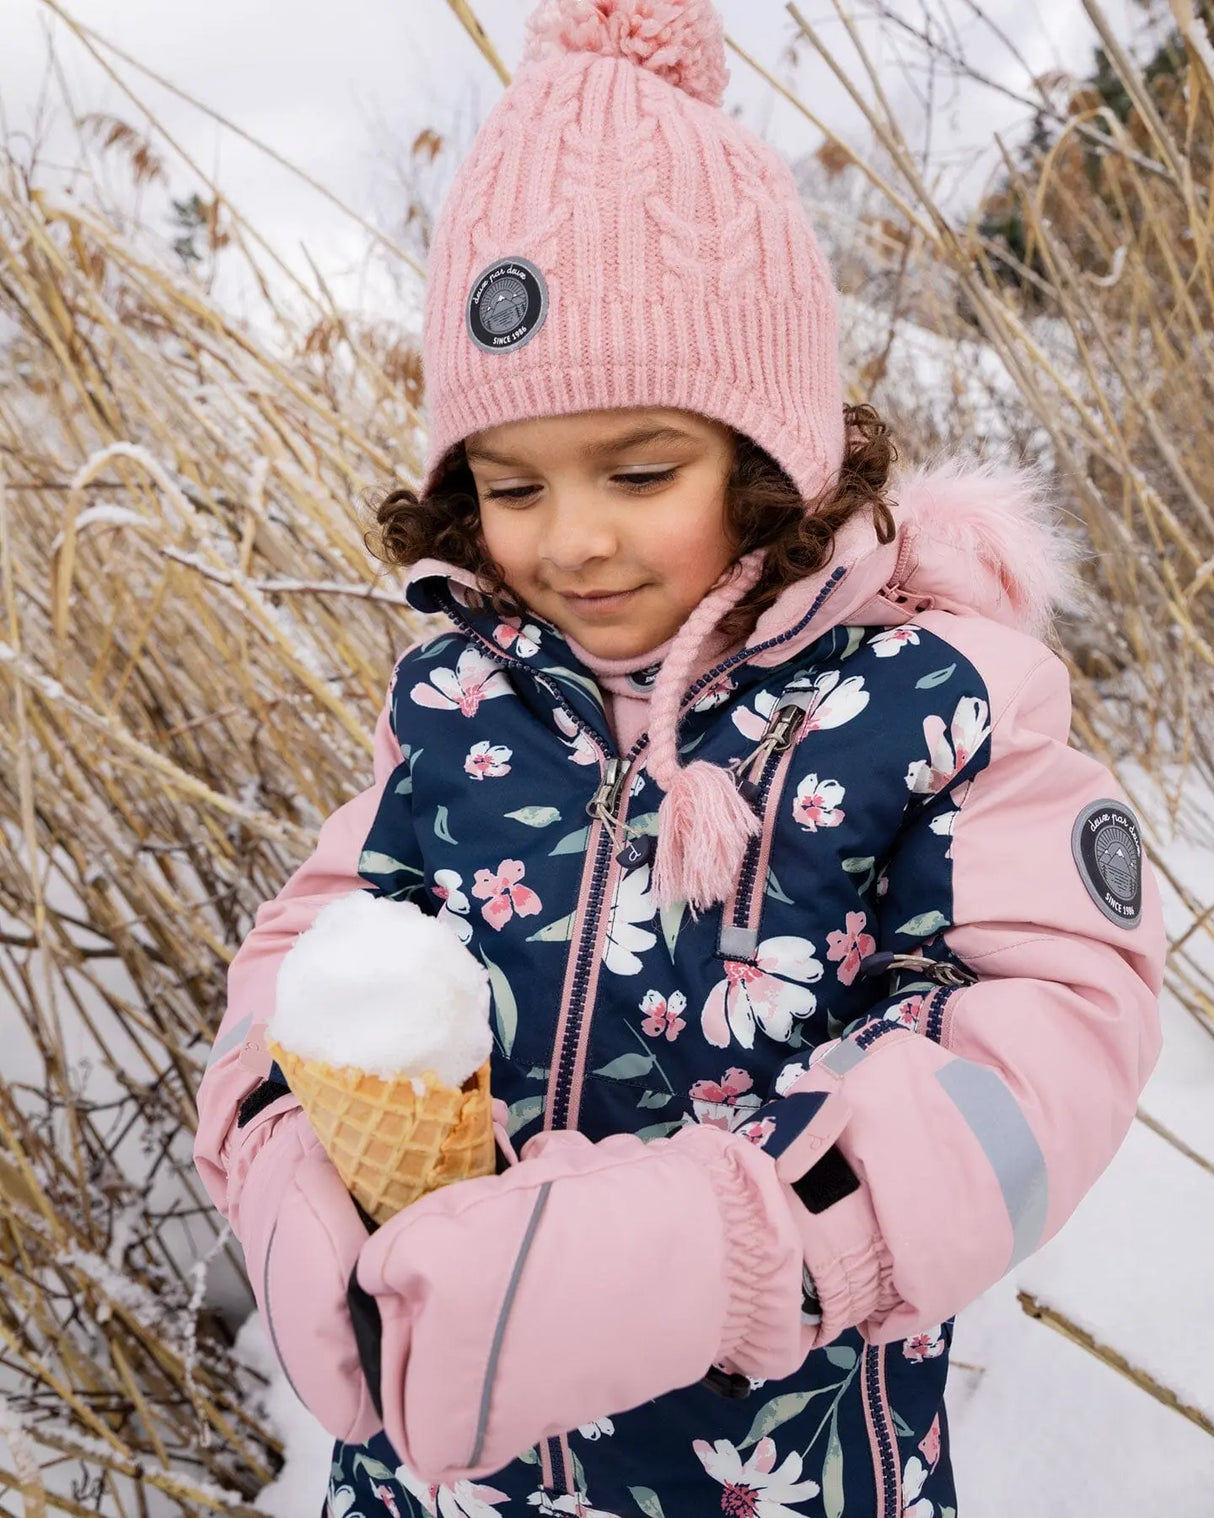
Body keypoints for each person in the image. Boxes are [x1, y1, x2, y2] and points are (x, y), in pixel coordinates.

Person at [193, 2, 1165, 1515]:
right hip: (443, 1482)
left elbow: (1045, 1050)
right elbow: (314, 950)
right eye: (509, 483)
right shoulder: (460, 700)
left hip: (777, 1472)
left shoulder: (929, 704)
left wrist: (728, 1248)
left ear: (769, 453)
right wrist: (271, 1146)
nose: (570, 538)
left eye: (640, 470)